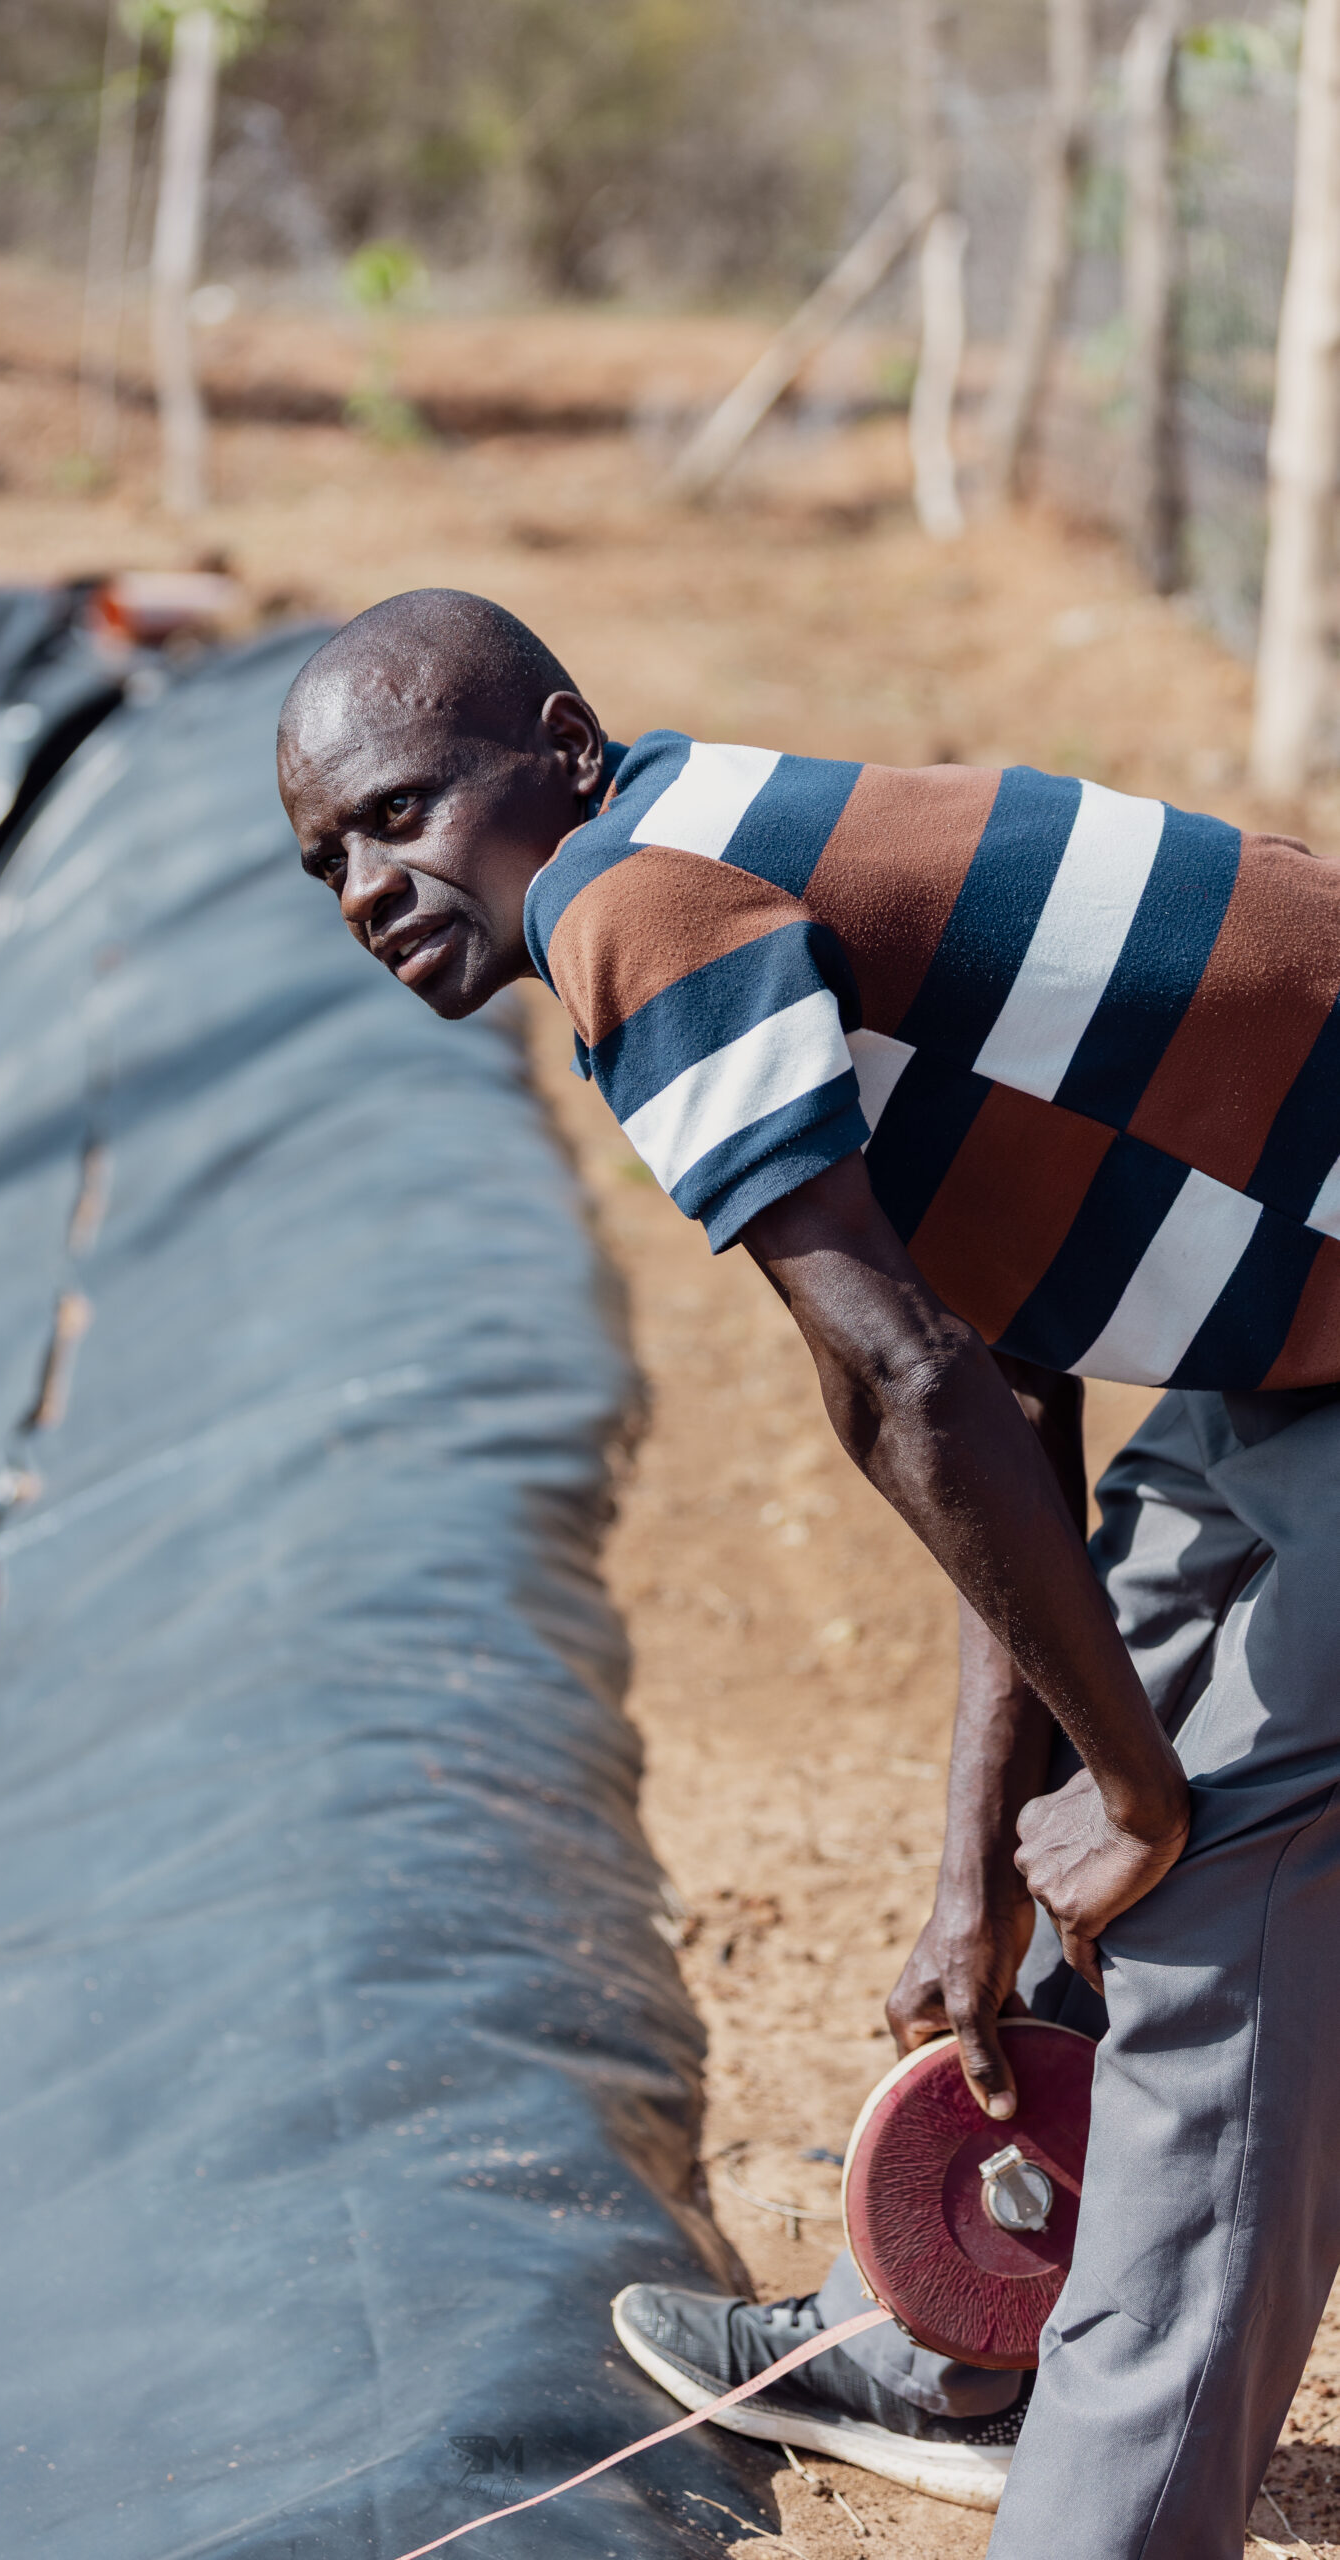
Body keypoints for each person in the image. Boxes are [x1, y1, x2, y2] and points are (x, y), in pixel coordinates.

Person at [275, 587, 1340, 2557]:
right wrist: (974, 1871)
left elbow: (902, 1383)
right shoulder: (709, 854)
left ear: (563, 748)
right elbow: (989, 1393)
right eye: (324, 855)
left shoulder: (632, 901)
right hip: (1280, 1348)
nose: (366, 879)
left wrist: (1130, 1791)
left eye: (401, 809)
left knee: (1223, 1895)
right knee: (1138, 1647)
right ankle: (966, 2328)